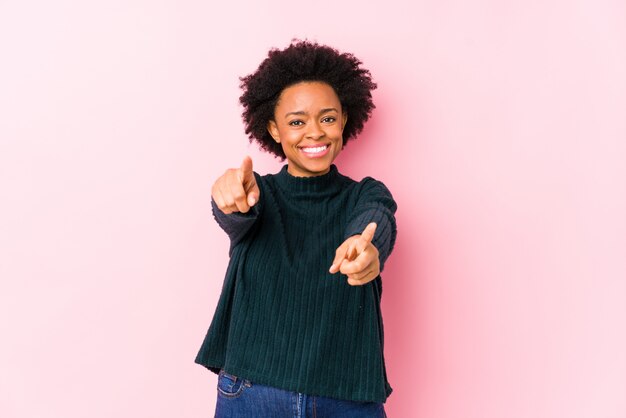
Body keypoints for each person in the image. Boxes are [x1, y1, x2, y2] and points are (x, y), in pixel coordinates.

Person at [195, 40, 398, 418]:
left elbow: (377, 218)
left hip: (348, 396)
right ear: (273, 129)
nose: (315, 133)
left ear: (344, 121)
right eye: (296, 121)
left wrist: (365, 248)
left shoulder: (365, 195)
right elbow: (236, 210)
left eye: (328, 118)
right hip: (254, 392)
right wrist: (228, 195)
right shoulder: (258, 193)